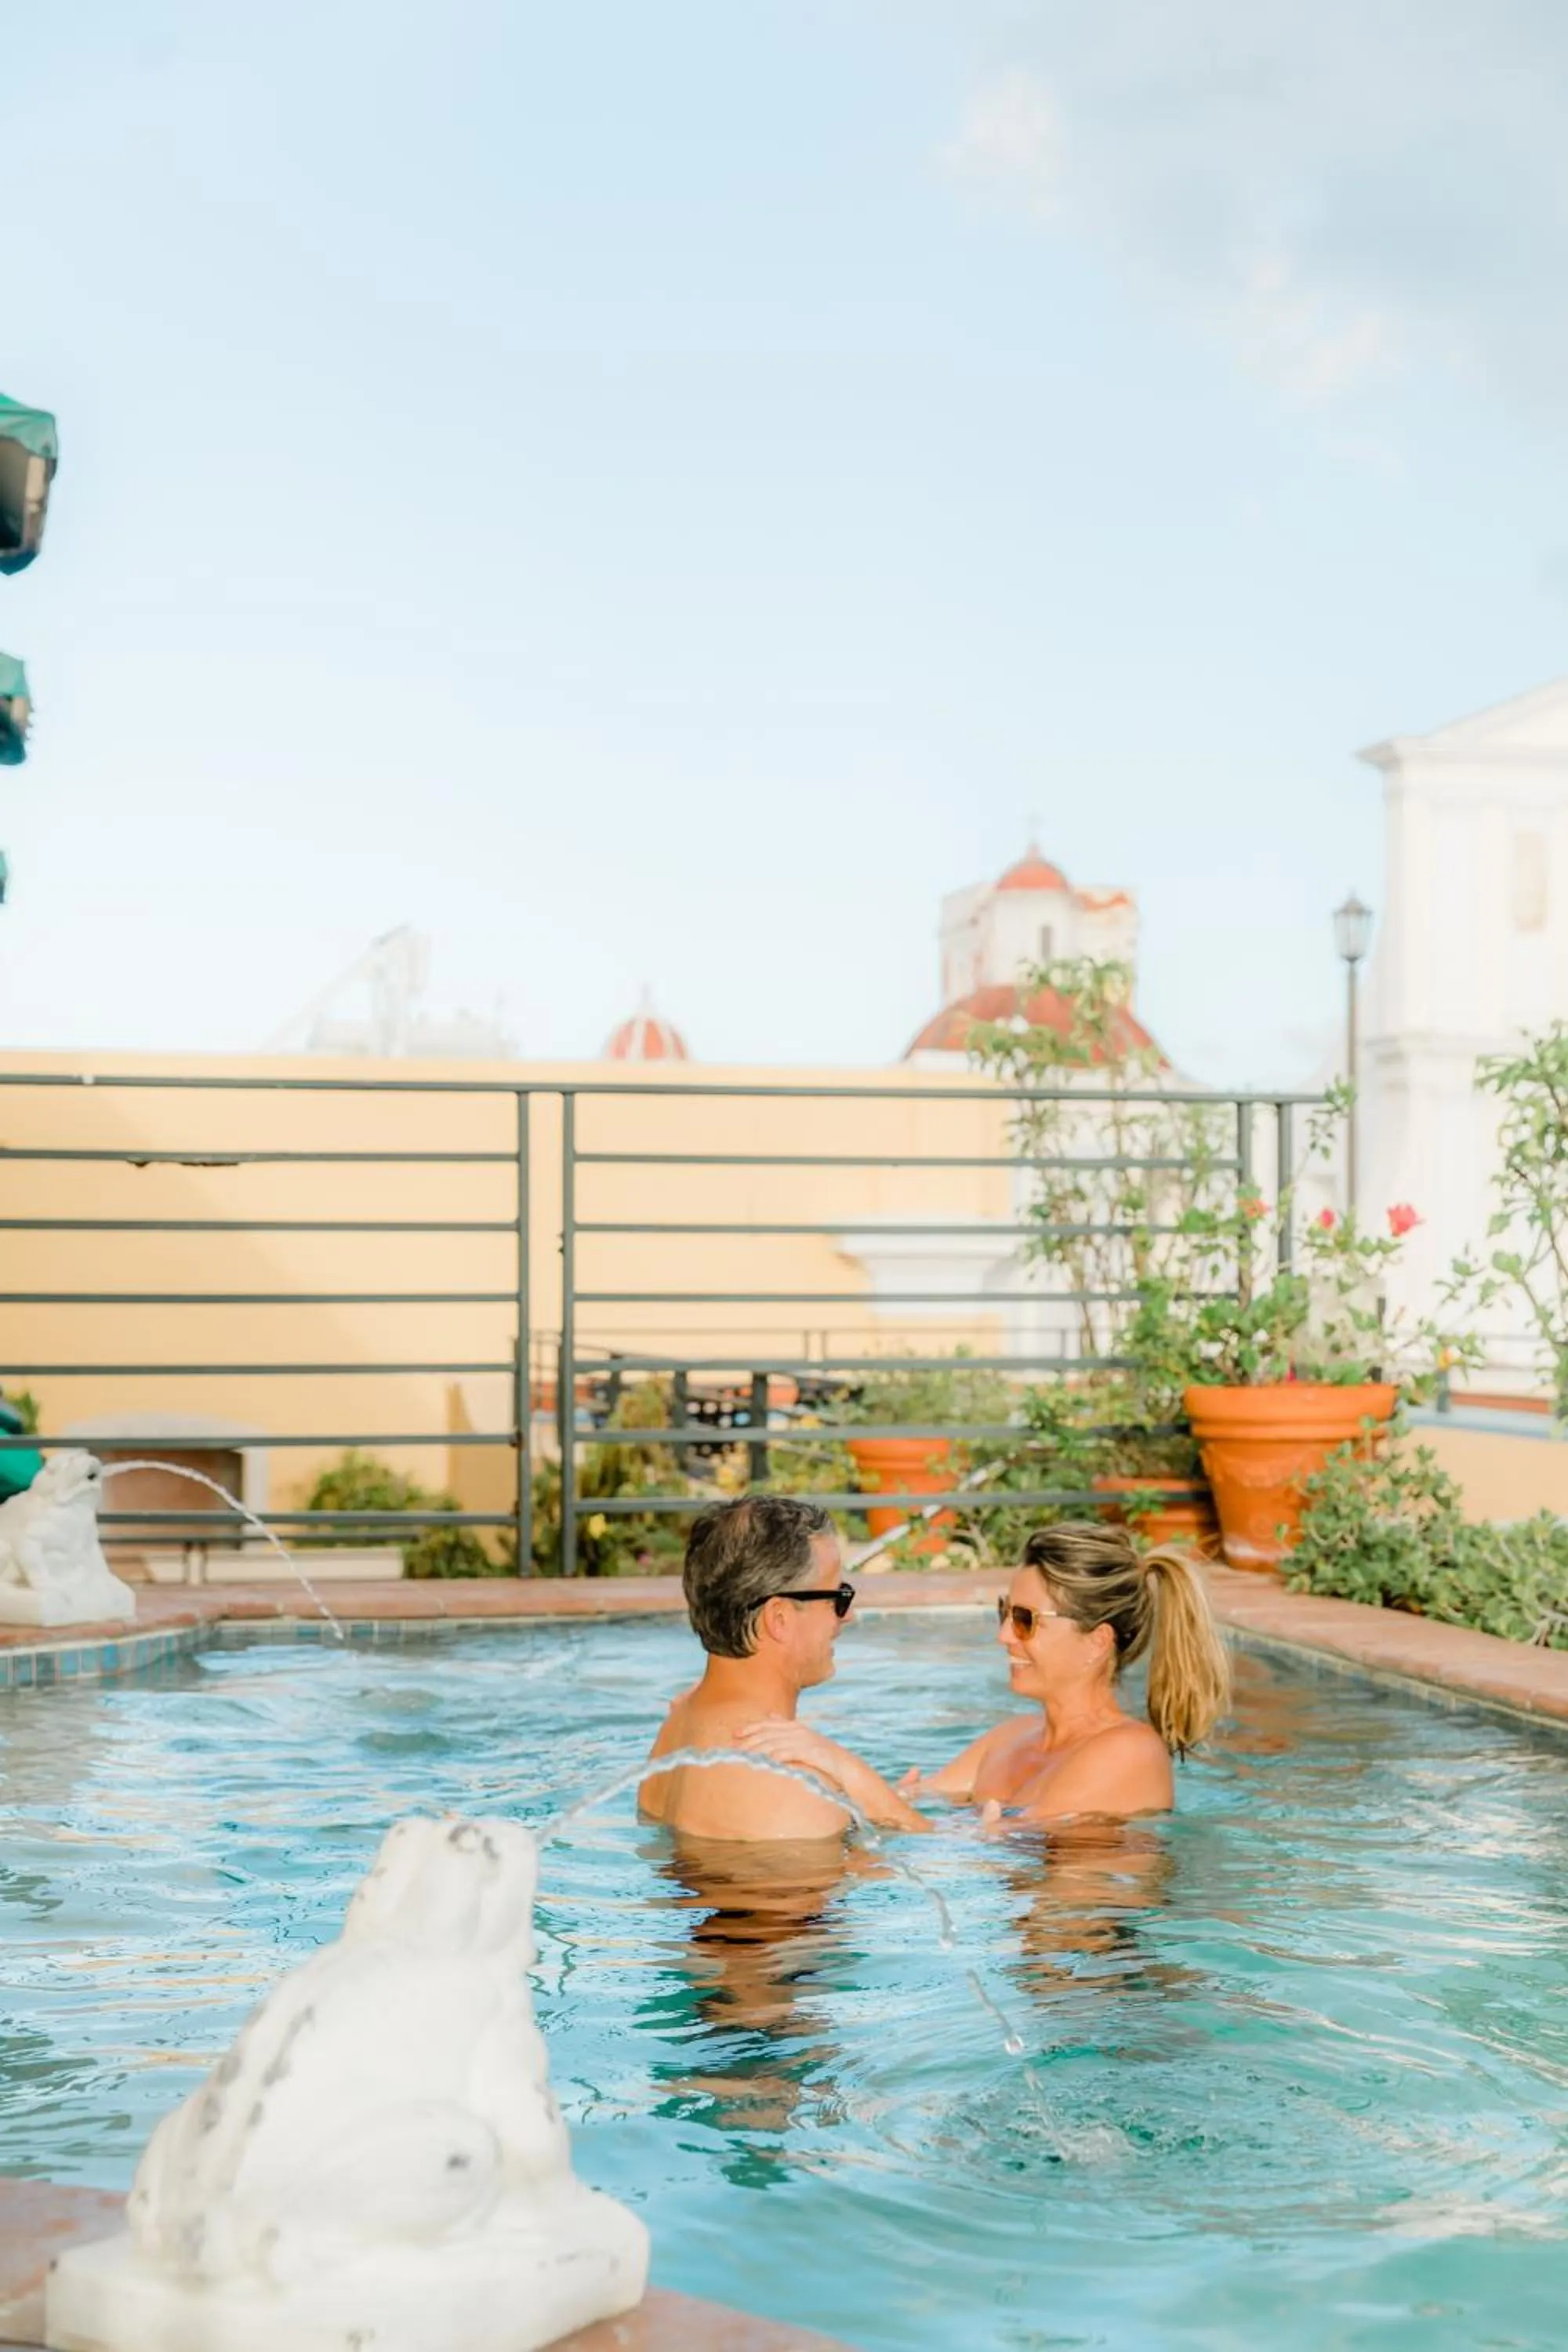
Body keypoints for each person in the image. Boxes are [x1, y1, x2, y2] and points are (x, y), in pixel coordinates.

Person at [745, 1521, 1229, 1826]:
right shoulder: (1013, 1737)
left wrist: (840, 1763)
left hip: (1092, 1978)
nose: (1003, 1636)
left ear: (1097, 1642)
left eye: (1025, 1620)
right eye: (1004, 1612)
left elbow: (953, 1852)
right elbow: (901, 1807)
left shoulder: (1129, 1752)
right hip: (1027, 1960)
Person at [640, 1494, 927, 1840]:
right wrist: (892, 1812)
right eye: (838, 1597)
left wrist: (868, 1796)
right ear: (779, 1618)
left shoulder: (677, 1726)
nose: (848, 1615)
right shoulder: (796, 1786)